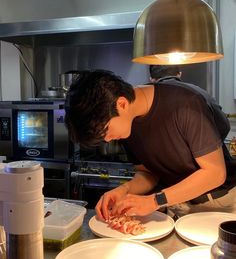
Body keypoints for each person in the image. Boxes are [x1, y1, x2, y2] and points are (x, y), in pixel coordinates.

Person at [65, 69, 236, 221]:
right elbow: (148, 173)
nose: (108, 139)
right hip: (178, 204)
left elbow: (215, 173)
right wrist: (125, 190)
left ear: (122, 104)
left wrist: (155, 200)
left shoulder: (186, 104)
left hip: (219, 202)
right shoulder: (127, 124)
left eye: (106, 131)